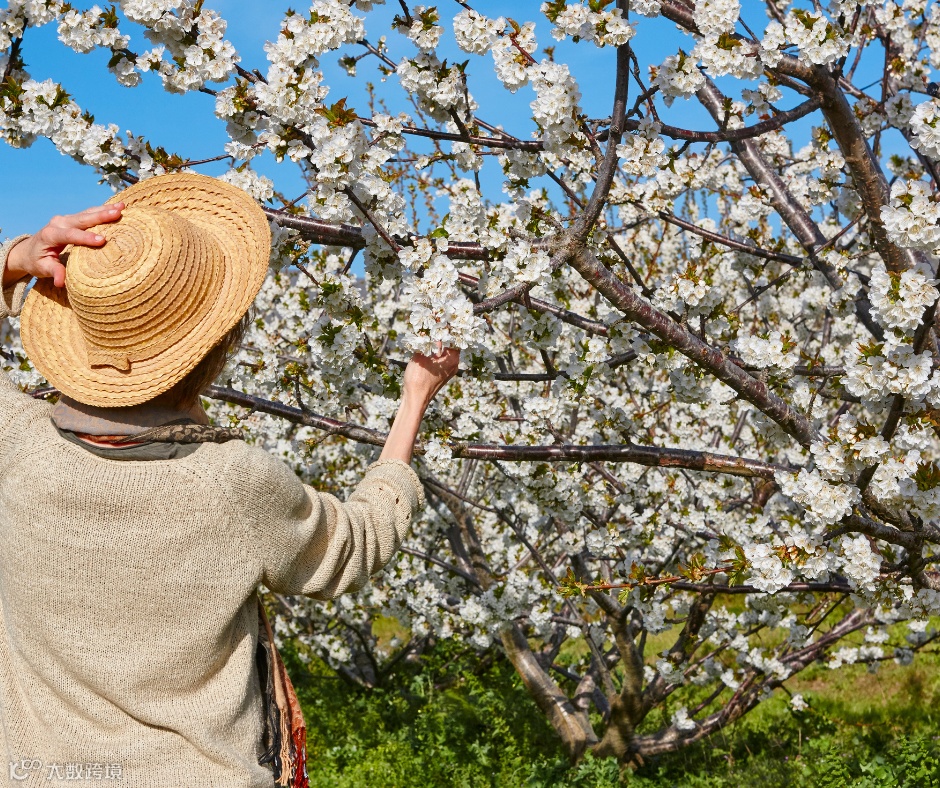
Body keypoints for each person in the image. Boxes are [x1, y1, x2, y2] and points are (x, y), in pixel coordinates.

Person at [0, 172, 459, 787]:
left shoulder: (16, 442)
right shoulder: (229, 483)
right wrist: (413, 401)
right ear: (217, 342)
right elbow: (356, 544)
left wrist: (15, 259)